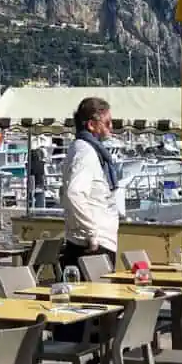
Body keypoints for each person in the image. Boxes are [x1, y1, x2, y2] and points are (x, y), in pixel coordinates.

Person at [60, 96, 119, 269]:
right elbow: (74, 193)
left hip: (92, 240)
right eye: (107, 123)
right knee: (97, 294)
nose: (111, 127)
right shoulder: (86, 152)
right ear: (92, 125)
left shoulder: (83, 149)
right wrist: (92, 232)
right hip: (93, 245)